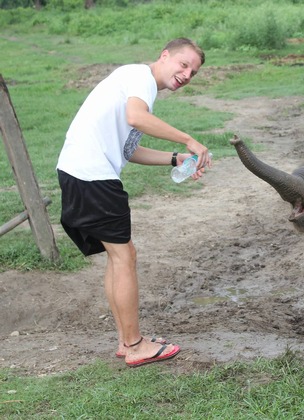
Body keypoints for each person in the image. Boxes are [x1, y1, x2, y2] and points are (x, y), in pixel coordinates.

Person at [56, 38, 211, 367]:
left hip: (78, 172)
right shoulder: (140, 78)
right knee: (124, 256)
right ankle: (136, 345)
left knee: (118, 256)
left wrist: (174, 158)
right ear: (164, 55)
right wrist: (187, 139)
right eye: (183, 65)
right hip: (93, 175)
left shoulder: (137, 85)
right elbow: (136, 118)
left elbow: (129, 150)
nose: (186, 74)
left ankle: (127, 341)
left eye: (193, 72)